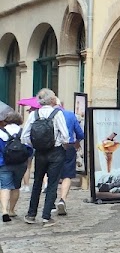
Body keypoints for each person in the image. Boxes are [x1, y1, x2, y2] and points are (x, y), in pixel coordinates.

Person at [20, 89, 70, 227]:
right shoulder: (57, 113)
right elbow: (65, 135)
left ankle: (31, 214)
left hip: (40, 152)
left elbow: (24, 136)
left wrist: (36, 144)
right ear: (52, 100)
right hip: (56, 151)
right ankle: (46, 216)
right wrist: (62, 146)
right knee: (52, 183)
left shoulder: (34, 114)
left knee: (37, 182)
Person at [54, 101, 85, 216]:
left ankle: (50, 202)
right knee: (67, 175)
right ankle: (62, 199)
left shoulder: (44, 114)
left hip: (50, 149)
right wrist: (76, 142)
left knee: (52, 174)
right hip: (68, 147)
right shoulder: (70, 115)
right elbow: (80, 134)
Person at [0, 111, 29, 223]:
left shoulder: (1, 132)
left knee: (5, 186)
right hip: (20, 163)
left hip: (4, 163)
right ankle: (12, 210)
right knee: (16, 186)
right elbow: (29, 148)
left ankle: (4, 210)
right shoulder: (23, 132)